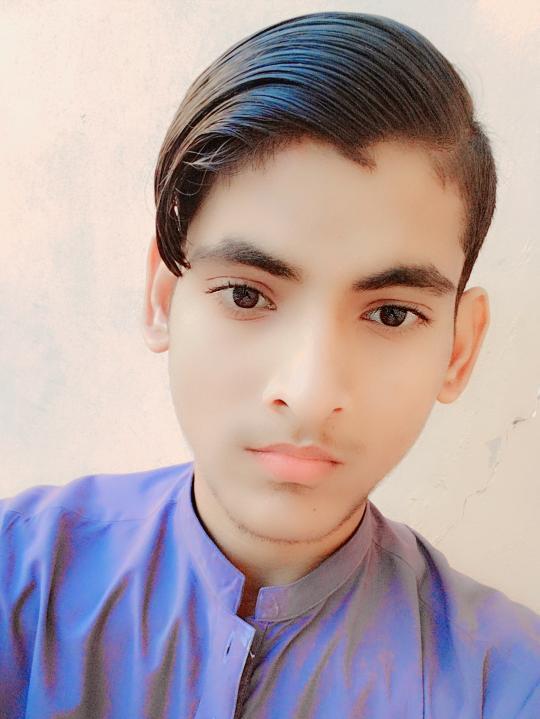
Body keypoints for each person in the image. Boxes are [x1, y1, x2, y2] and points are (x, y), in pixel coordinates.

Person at [1, 10, 538, 719]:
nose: (309, 394)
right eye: (247, 295)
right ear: (162, 298)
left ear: (459, 349)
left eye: (390, 314)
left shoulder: (507, 683)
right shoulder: (17, 579)